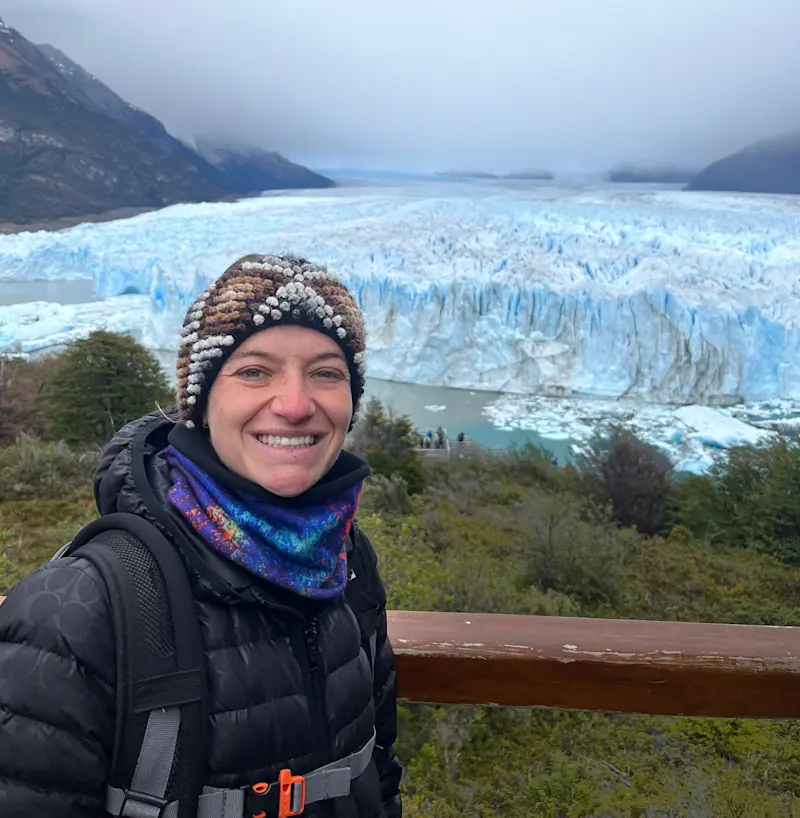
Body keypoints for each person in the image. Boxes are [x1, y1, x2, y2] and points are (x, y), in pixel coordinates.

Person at [0, 254, 403, 818]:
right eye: (254, 371)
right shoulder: (78, 610)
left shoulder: (347, 561)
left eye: (327, 372)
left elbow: (378, 770)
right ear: (201, 403)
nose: (294, 404)